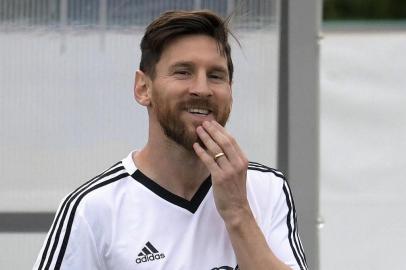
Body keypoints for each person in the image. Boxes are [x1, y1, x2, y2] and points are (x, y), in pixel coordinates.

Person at [33, 10, 307, 270]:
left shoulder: (267, 189)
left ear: (230, 92)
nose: (201, 89)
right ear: (143, 88)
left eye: (216, 76)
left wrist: (237, 212)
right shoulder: (93, 208)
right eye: (183, 72)